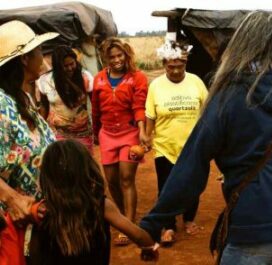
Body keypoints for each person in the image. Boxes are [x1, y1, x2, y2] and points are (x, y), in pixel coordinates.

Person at [140, 11, 272, 265]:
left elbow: (191, 166)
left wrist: (155, 222)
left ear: (242, 43)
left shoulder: (227, 97)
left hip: (256, 229)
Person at [25, 139, 157, 265]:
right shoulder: (100, 205)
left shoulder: (42, 211)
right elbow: (139, 236)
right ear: (88, 169)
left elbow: (34, 254)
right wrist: (151, 248)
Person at [0, 20, 58, 265]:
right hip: (11, 228)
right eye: (36, 50)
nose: (41, 55)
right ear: (23, 58)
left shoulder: (21, 98)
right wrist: (12, 198)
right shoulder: (2, 103)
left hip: (35, 223)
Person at [145, 40, 207, 245]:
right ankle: (168, 226)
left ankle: (189, 219)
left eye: (180, 66)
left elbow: (206, 111)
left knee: (193, 184)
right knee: (166, 188)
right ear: (164, 65)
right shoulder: (155, 85)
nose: (176, 71)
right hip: (165, 145)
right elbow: (150, 115)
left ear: (186, 63)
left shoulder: (196, 82)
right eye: (171, 67)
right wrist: (146, 135)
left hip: (193, 145)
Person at [92, 37, 149, 245]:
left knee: (126, 178)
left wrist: (142, 131)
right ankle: (122, 215)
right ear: (105, 58)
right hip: (107, 134)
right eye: (112, 56)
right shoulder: (98, 79)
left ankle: (129, 225)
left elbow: (139, 106)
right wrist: (95, 132)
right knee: (112, 180)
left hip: (129, 134)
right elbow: (96, 108)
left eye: (120, 55)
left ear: (126, 55)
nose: (117, 60)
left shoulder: (137, 77)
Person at [37, 45, 94, 152]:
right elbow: (44, 107)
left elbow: (95, 104)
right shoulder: (46, 81)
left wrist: (98, 127)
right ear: (57, 67)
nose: (69, 68)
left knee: (83, 165)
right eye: (65, 66)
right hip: (57, 133)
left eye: (72, 64)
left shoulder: (85, 77)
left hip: (83, 133)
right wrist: (40, 128)